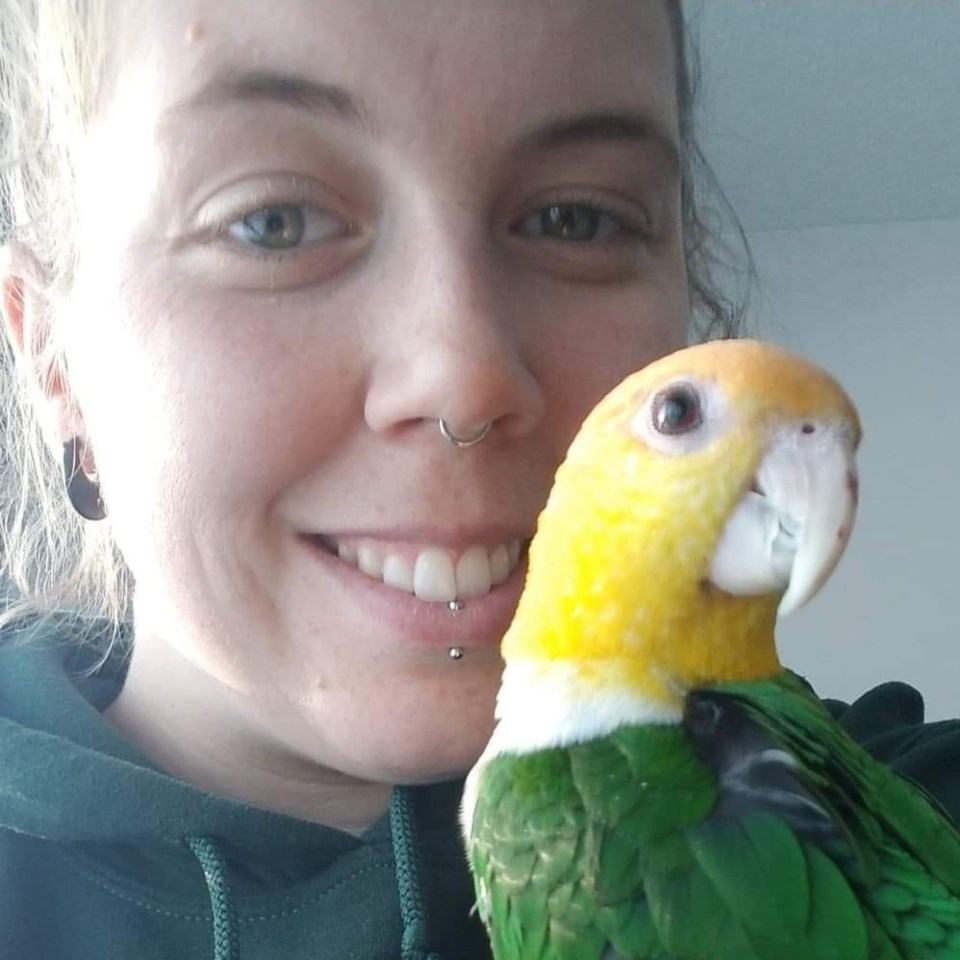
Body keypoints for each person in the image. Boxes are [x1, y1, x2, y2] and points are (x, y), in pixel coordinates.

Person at [0, 2, 957, 958]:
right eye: (273, 222)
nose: (464, 374)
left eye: (575, 219)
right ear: (49, 353)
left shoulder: (902, 806)